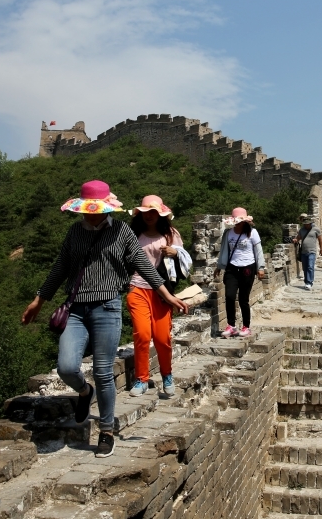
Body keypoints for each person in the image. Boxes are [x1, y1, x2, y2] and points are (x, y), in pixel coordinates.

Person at [21, 181, 189, 458]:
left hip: (107, 308)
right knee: (66, 366)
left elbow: (143, 265)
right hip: (75, 308)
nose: (90, 214)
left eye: (95, 209)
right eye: (87, 210)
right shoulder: (75, 232)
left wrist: (167, 296)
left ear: (105, 208)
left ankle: (106, 431)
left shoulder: (122, 231)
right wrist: (40, 299)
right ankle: (85, 393)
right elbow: (61, 267)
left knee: (103, 372)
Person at [127, 195, 185, 400]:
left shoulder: (171, 234)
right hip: (138, 289)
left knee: (162, 338)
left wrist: (175, 253)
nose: (149, 216)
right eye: (145, 212)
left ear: (160, 215)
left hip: (162, 293)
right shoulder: (132, 234)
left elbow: (185, 260)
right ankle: (141, 378)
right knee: (142, 335)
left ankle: (167, 375)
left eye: (154, 212)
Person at [213, 207, 267, 338]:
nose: (237, 223)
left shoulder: (252, 233)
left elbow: (259, 251)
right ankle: (231, 326)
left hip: (248, 267)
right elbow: (224, 250)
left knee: (243, 299)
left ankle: (246, 327)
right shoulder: (228, 233)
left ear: (244, 222)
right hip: (232, 267)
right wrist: (219, 266)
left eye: (239, 221)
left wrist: (261, 268)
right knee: (230, 296)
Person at [292, 214, 322, 290]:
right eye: (305, 224)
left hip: (312, 251)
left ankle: (309, 282)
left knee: (310, 266)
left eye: (307, 224)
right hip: (303, 252)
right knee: (305, 268)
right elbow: (298, 238)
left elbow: (320, 239)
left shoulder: (316, 229)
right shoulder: (302, 230)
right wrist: (295, 240)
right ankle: (306, 282)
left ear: (310, 223)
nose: (306, 225)